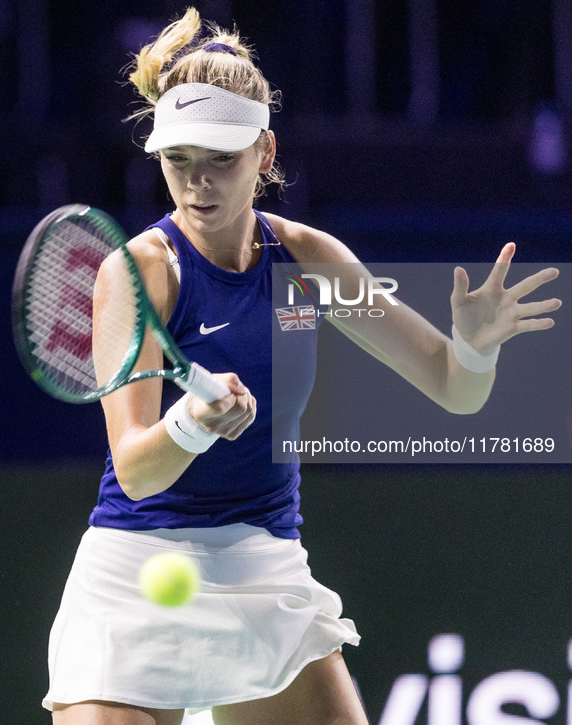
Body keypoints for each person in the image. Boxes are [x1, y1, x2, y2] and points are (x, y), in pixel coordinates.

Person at [42, 7, 561, 725]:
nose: (196, 184)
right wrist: (193, 420)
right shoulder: (138, 273)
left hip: (261, 564)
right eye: (177, 160)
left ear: (264, 151)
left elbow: (452, 388)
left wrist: (473, 346)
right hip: (135, 568)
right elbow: (134, 467)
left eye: (220, 158)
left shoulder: (313, 262)